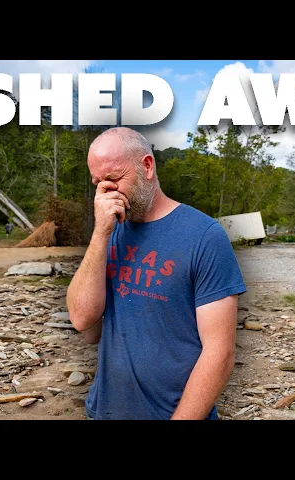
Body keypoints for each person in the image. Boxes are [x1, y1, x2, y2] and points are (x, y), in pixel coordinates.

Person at [66, 127, 246, 420]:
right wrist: (100, 234)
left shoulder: (204, 236)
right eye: (98, 184)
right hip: (104, 410)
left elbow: (219, 353)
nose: (106, 193)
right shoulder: (109, 229)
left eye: (113, 179)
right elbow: (84, 322)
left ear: (147, 166)